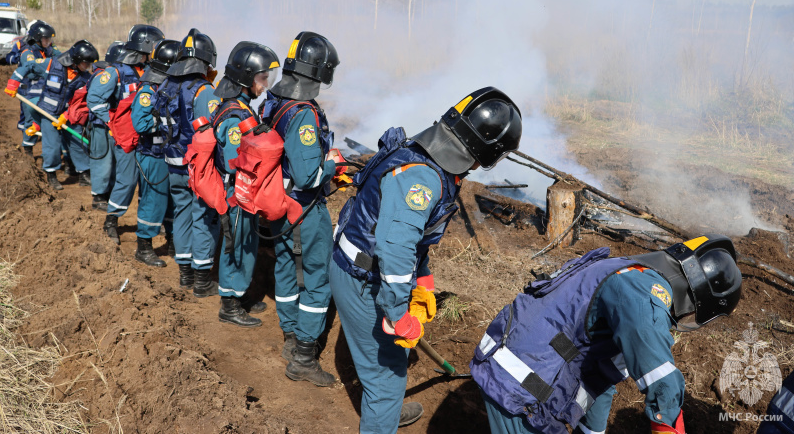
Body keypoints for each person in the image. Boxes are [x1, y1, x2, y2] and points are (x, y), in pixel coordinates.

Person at [330, 86, 523, 431]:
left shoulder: (429, 155)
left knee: (391, 361)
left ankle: (384, 408)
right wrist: (398, 312)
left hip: (368, 268)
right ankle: (383, 407)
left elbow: (408, 240)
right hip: (362, 278)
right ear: (485, 150)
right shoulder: (423, 178)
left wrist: (423, 277)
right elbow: (395, 248)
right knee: (387, 378)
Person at [470, 235, 743, 434]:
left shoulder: (630, 271)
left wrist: (594, 432)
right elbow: (662, 379)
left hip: (517, 370)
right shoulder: (643, 293)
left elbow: (601, 374)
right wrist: (668, 426)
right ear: (697, 298)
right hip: (523, 390)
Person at [262, 31, 340, 386]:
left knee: (285, 268)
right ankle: (304, 359)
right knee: (317, 281)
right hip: (302, 208)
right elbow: (308, 175)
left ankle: (290, 337)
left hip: (275, 203)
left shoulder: (275, 99)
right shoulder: (304, 114)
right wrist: (333, 166)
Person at [210, 42, 280, 322]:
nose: (265, 85)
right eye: (262, 78)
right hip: (237, 194)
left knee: (246, 244)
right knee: (236, 246)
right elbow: (232, 161)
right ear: (245, 78)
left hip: (243, 192)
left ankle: (238, 294)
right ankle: (229, 306)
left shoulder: (242, 107)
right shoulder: (234, 115)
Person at [152, 28, 220, 291]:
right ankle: (202, 279)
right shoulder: (204, 91)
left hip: (172, 163)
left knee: (181, 213)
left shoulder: (165, 85)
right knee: (203, 217)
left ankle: (185, 274)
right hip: (197, 168)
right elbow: (213, 130)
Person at [88, 25, 164, 244]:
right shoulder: (117, 72)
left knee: (148, 182)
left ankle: (147, 223)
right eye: (155, 45)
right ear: (146, 46)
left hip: (148, 136)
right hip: (126, 138)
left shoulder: (152, 70)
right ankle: (111, 221)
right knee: (127, 181)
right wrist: (112, 122)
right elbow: (94, 100)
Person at [131, 39, 179, 267]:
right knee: (154, 201)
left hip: (166, 154)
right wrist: (166, 123)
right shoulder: (148, 90)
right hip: (152, 154)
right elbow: (140, 124)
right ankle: (144, 247)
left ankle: (172, 242)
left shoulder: (166, 86)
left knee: (170, 201)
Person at [33, 40, 98, 190]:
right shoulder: (53, 64)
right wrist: (14, 82)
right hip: (48, 111)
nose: (88, 66)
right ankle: (51, 174)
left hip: (69, 114)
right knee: (52, 145)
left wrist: (67, 115)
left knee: (77, 141)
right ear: (76, 60)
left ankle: (84, 173)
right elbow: (29, 66)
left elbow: (81, 101)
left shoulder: (84, 78)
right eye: (86, 63)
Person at [3, 20, 60, 156]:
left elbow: (62, 58)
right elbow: (32, 69)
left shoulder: (51, 49)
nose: (49, 41)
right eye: (46, 39)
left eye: (49, 39)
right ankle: (28, 149)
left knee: (50, 119)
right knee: (29, 119)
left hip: (47, 91)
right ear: (37, 38)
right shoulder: (27, 52)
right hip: (29, 91)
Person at [86, 42, 124, 211]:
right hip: (101, 124)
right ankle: (99, 195)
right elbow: (94, 99)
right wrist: (110, 119)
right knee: (102, 159)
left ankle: (109, 192)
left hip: (115, 125)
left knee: (115, 162)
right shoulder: (105, 75)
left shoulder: (121, 73)